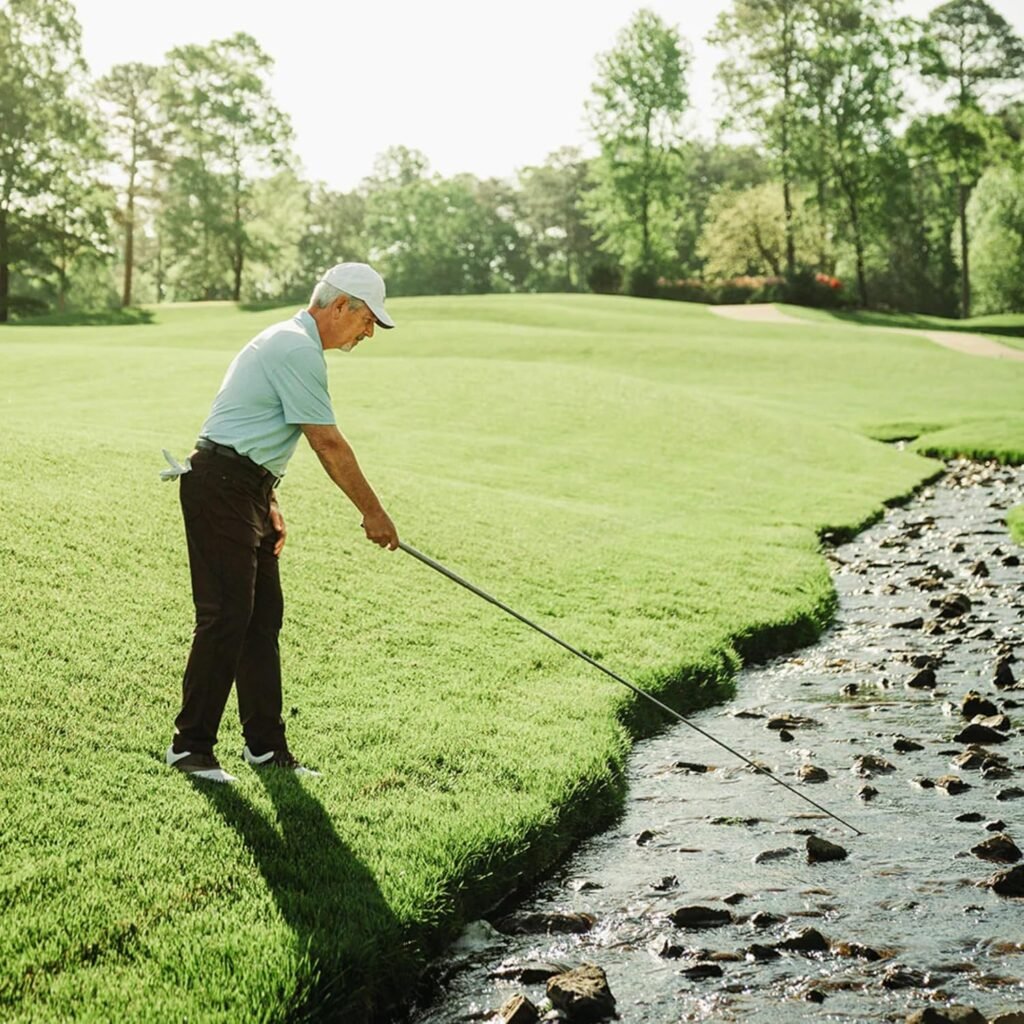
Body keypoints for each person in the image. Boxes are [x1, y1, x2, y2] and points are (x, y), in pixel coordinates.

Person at [165, 262, 400, 783]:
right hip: (219, 485)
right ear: (340, 306)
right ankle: (190, 748)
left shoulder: (294, 342)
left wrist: (266, 499)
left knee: (261, 617)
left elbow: (255, 426)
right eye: (366, 321)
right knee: (227, 614)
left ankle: (266, 750)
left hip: (242, 488)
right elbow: (327, 442)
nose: (367, 333)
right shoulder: (295, 347)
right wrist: (373, 513)